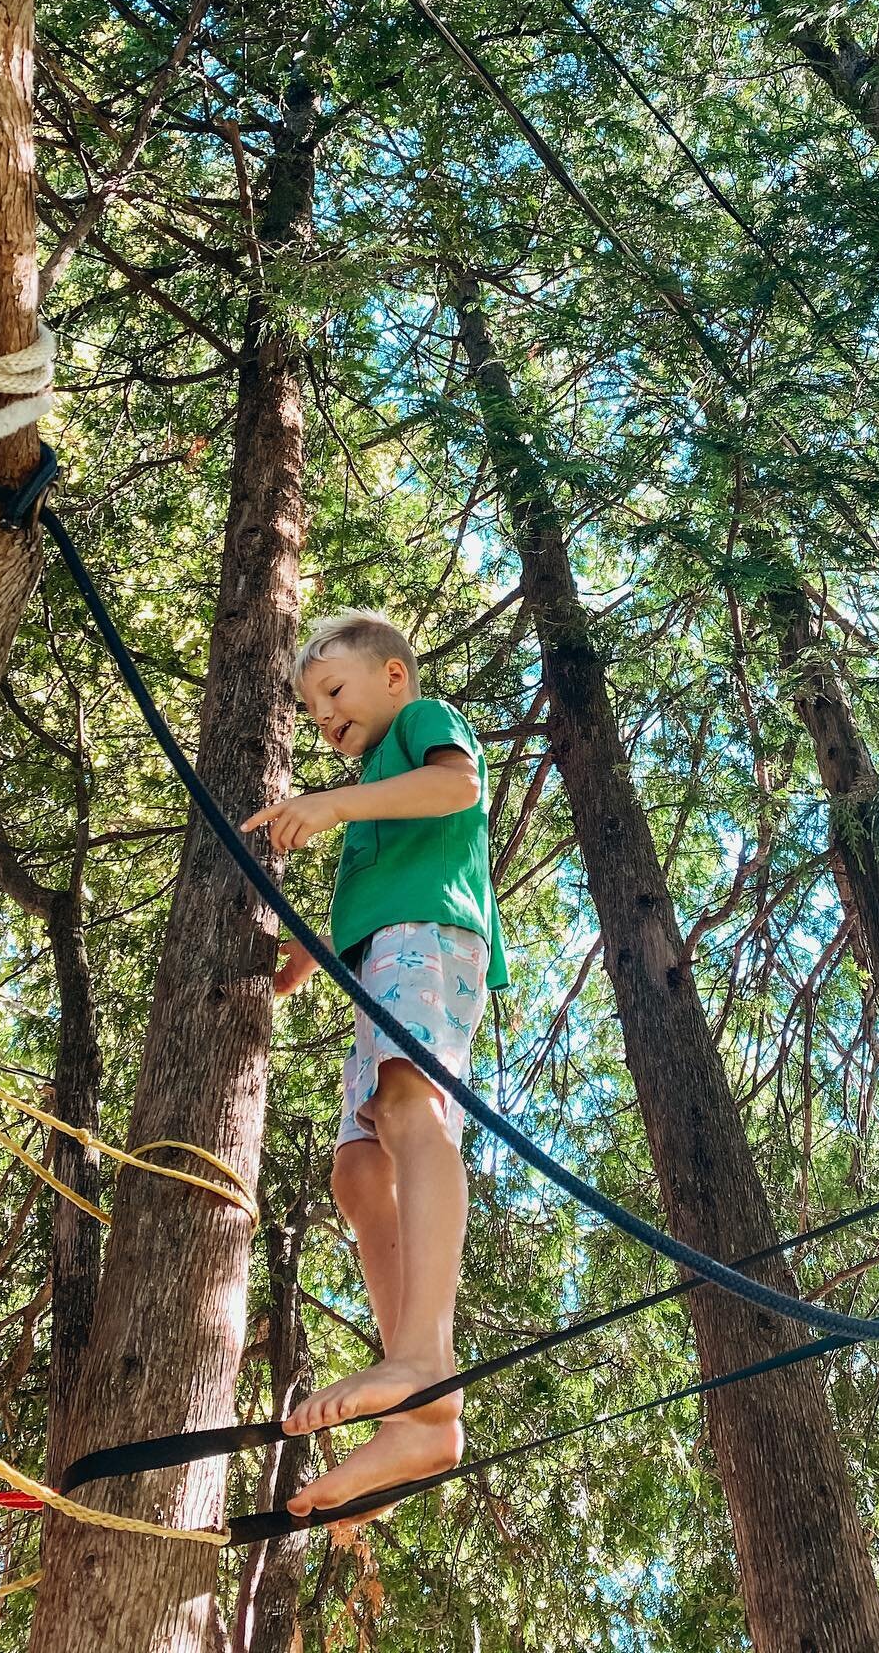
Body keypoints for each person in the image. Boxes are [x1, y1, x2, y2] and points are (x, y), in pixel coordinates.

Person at [241, 609, 508, 1524]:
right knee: (359, 1171)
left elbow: (458, 794)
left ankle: (425, 1360)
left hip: (428, 943)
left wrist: (334, 803)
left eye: (334, 691)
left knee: (409, 1114)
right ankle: (421, 1418)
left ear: (393, 678)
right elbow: (366, 888)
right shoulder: (368, 786)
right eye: (311, 706)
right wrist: (300, 967)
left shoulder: (424, 725)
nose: (322, 714)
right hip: (378, 957)